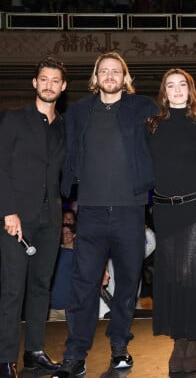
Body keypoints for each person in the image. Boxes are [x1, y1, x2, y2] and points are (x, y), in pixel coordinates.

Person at [52, 52, 158, 378]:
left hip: (130, 210)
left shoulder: (143, 108)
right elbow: (60, 150)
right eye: (104, 71)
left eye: (116, 71)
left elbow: (168, 136)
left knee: (128, 284)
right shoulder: (78, 112)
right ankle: (75, 354)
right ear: (96, 78)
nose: (110, 75)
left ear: (125, 78)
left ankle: (119, 346)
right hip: (91, 210)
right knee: (83, 285)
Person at [146, 68, 196, 375]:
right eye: (170, 85)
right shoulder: (151, 126)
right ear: (164, 92)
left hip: (194, 210)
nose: (176, 90)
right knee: (172, 279)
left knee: (191, 278)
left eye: (182, 85)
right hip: (163, 212)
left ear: (191, 91)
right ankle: (180, 338)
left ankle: (191, 342)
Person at [0, 57, 67, 378]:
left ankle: (34, 352)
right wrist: (7, 210)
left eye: (55, 80)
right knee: (13, 289)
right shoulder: (14, 119)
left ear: (63, 87)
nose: (49, 85)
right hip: (16, 219)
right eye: (44, 79)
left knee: (41, 287)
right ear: (34, 83)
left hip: (50, 219)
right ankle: (4, 357)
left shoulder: (64, 127)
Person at [49, 222, 76, 321]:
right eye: (62, 233)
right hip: (52, 308)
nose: (64, 235)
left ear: (74, 235)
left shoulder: (80, 255)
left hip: (71, 308)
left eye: (67, 233)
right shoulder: (54, 253)